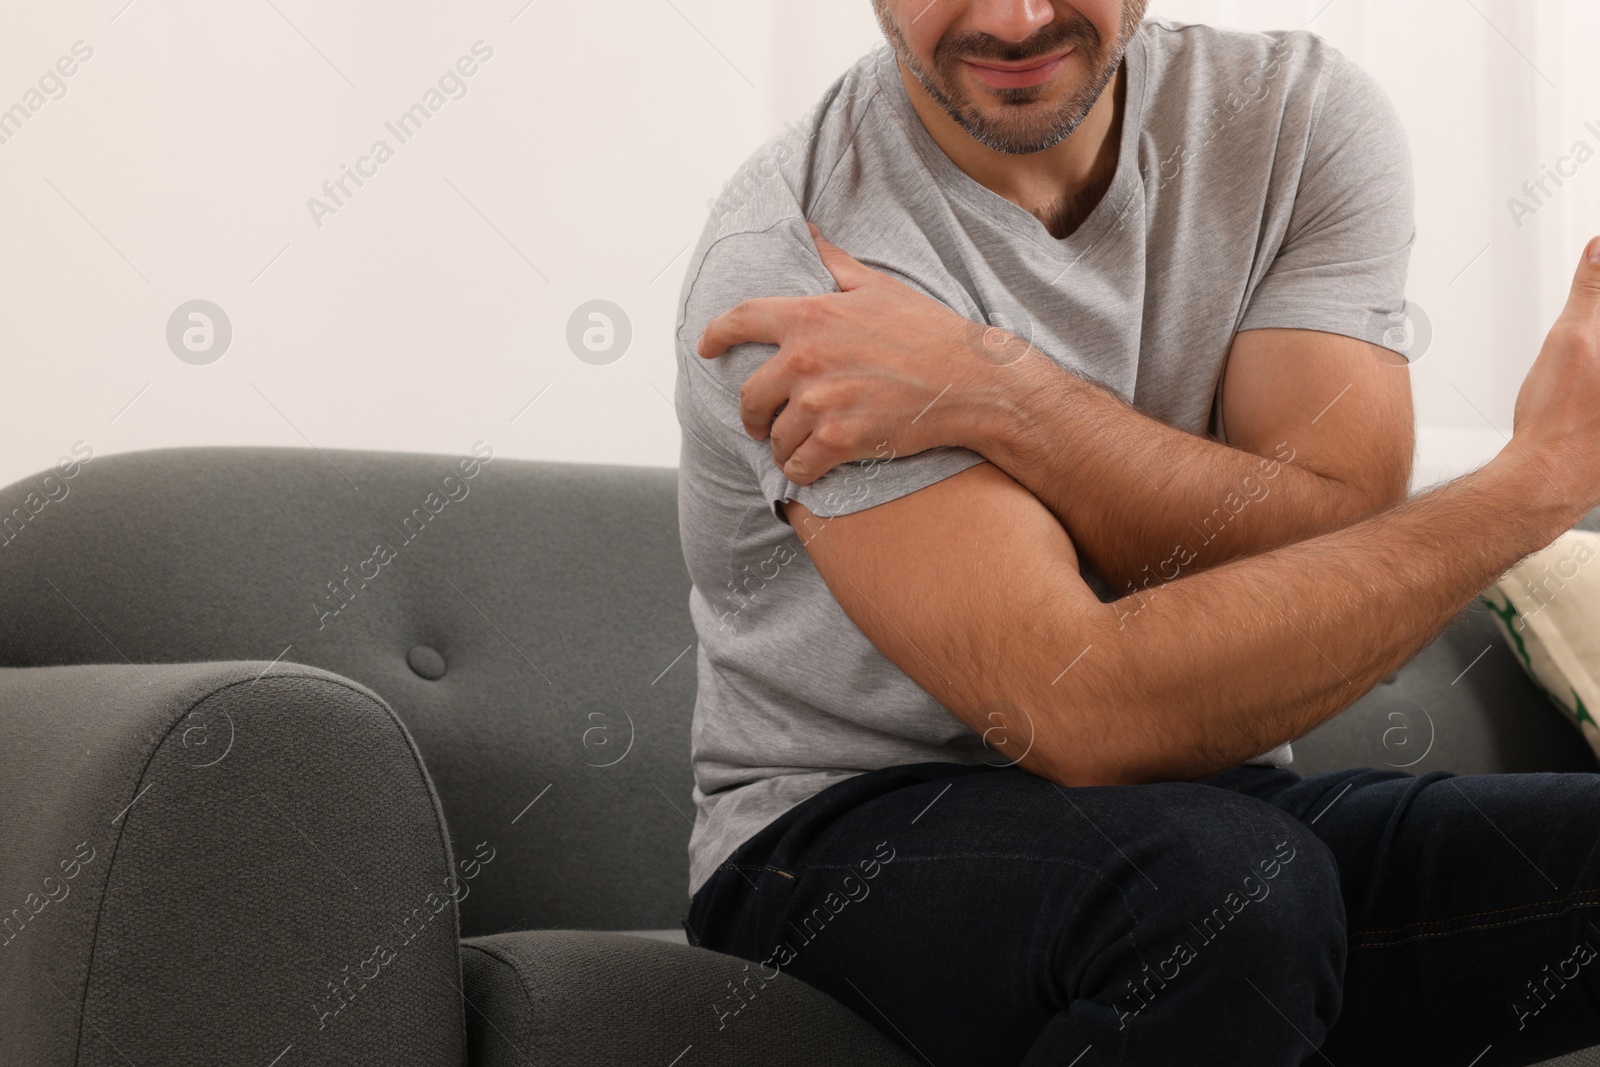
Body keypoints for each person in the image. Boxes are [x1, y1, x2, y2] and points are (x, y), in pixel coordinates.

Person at [670, 1, 1600, 1062]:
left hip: (1204, 809)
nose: (1017, 20)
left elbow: (1338, 522)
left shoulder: (1290, 118)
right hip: (838, 837)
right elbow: (1081, 709)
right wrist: (1537, 483)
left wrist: (1000, 387)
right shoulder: (800, 268)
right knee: (1221, 893)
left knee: (1231, 878)